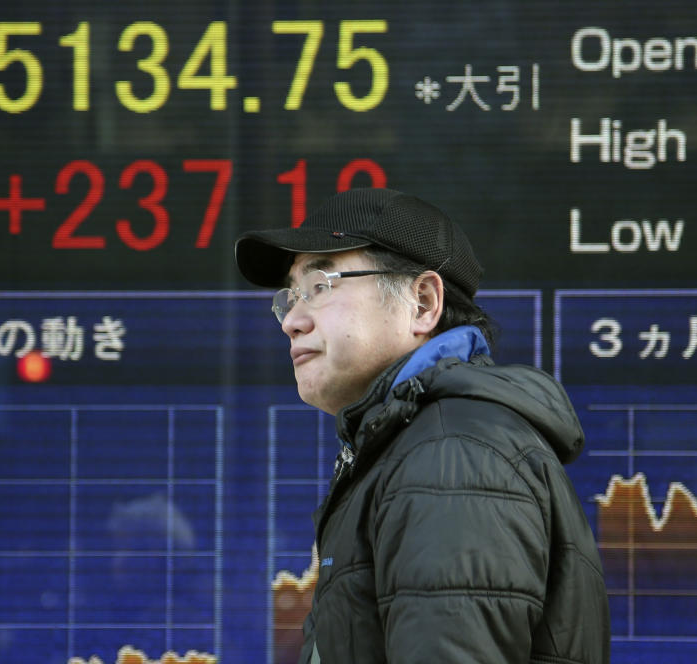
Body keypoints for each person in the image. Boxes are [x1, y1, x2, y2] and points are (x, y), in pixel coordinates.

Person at [235, 188, 610, 664]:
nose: (292, 319)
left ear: (424, 302)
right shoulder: (417, 444)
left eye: (322, 285)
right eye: (290, 297)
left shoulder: (452, 457)